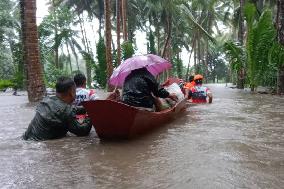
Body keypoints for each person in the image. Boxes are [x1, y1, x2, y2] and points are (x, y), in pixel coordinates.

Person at [22, 76, 92, 141]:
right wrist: (92, 115)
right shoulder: (65, 110)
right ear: (71, 92)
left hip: (26, 139)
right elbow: (83, 131)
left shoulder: (47, 100)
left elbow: (70, 109)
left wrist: (88, 107)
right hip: (39, 143)